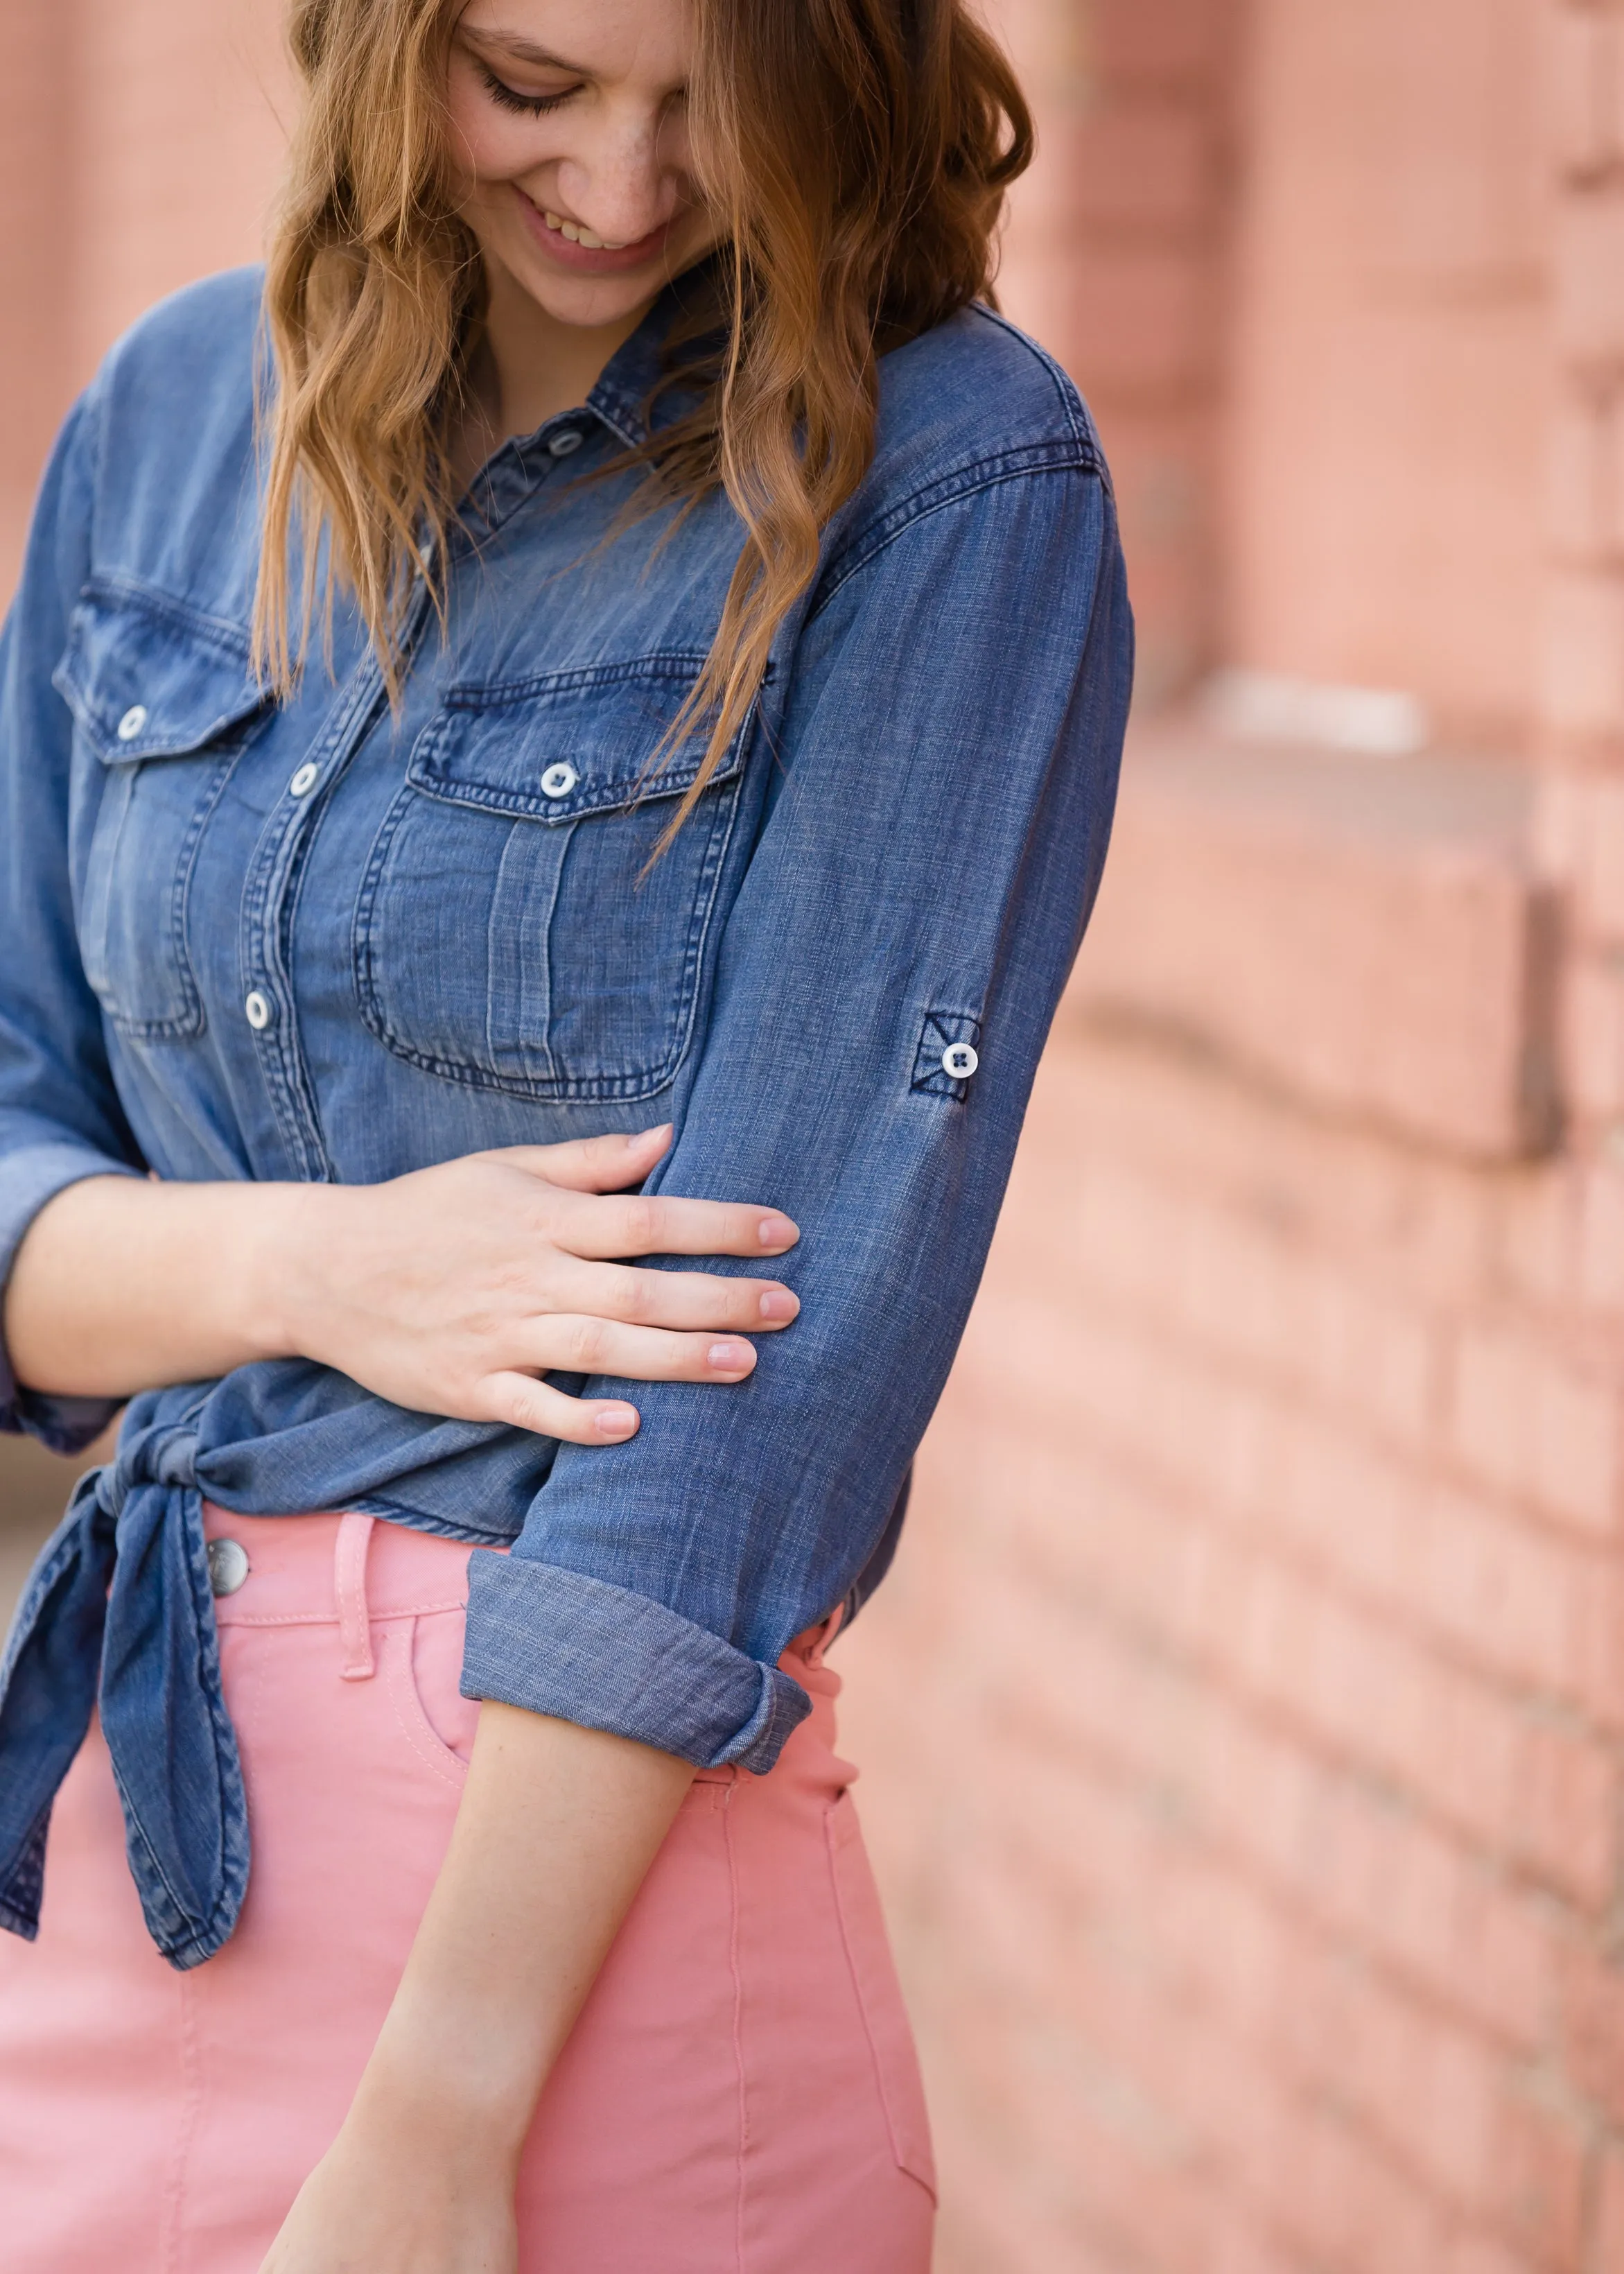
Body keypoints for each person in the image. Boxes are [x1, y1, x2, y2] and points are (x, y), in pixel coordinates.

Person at [0, 0, 1131, 2264]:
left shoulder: (953, 473)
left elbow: (763, 1393)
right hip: (128, 1833)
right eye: (533, 83)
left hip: (553, 1935)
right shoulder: (164, 426)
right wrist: (309, 1266)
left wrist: (438, 2115)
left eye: (714, 106)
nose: (621, 189)